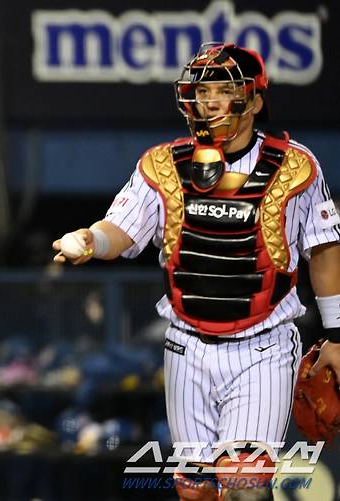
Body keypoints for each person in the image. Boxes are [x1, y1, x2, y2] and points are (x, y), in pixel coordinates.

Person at [53, 42, 340, 500]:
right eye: (202, 90)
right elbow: (121, 231)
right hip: (186, 347)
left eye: (222, 90)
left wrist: (338, 335)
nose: (208, 101)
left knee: (244, 485)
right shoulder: (164, 163)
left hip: (262, 347)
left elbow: (323, 250)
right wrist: (91, 240)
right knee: (197, 491)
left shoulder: (295, 166)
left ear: (255, 100)